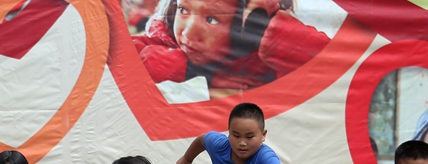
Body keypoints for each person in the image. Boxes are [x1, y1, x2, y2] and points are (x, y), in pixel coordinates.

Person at [132, 0, 329, 94]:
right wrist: (196, 72)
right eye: (183, 10)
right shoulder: (165, 37)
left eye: (212, 19)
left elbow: (327, 66)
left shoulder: (264, 62)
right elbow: (127, 56)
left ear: (243, 25)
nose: (189, 33)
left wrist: (268, 28)